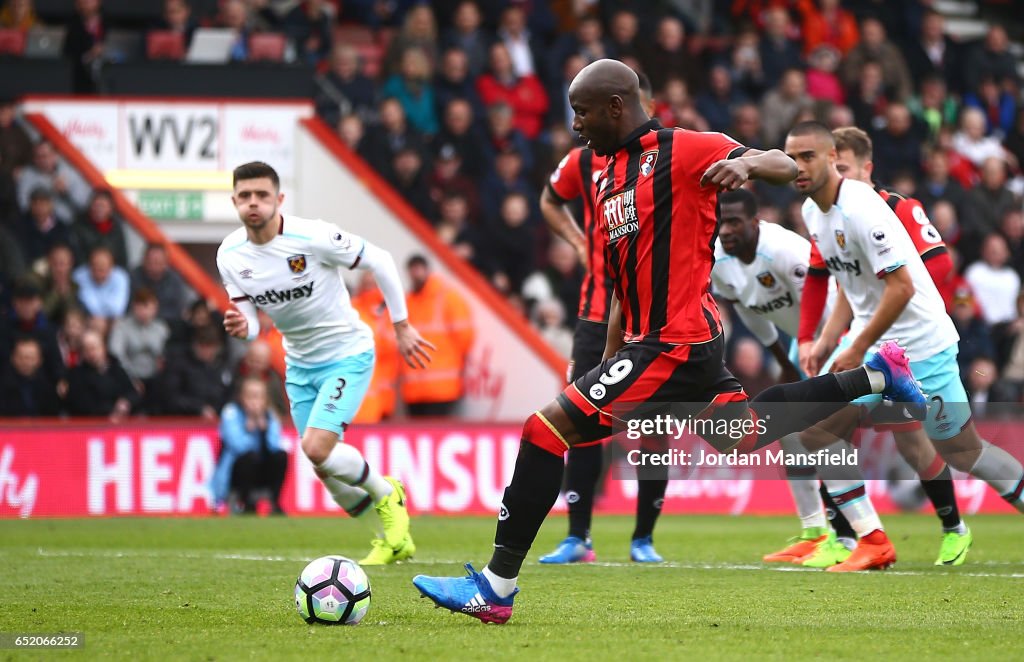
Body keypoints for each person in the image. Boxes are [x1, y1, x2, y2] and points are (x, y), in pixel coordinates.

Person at [412, 60, 926, 623]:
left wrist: (749, 162)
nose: (576, 125)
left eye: (582, 112)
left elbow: (779, 164)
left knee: (544, 430)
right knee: (744, 434)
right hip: (661, 340)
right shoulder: (605, 176)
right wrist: (608, 358)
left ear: (615, 105)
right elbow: (621, 284)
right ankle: (880, 376)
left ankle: (496, 588)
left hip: (672, 341)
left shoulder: (683, 148)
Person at [789, 122, 1024, 563]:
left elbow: (908, 284)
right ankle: (868, 541)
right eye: (794, 158)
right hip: (877, 350)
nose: (802, 167)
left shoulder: (876, 207)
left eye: (816, 159)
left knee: (963, 450)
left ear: (859, 167)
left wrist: (858, 345)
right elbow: (846, 284)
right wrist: (823, 340)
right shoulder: (814, 213)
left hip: (921, 348)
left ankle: (943, 527)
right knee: (816, 430)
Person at [715, 187, 970, 568]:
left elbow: (831, 299)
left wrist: (835, 346)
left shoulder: (786, 249)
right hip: (813, 349)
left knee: (922, 443)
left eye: (733, 221)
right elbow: (751, 311)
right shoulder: (721, 261)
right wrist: (785, 357)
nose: (725, 230)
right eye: (720, 222)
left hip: (848, 340)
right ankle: (829, 534)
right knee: (805, 433)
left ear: (756, 221)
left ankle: (949, 527)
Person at [218, 161, 434, 565]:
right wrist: (241, 327)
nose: (254, 203)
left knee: (317, 448)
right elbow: (249, 321)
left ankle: (389, 492)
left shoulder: (312, 236)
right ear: (234, 201)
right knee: (326, 470)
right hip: (299, 365)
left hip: (346, 353)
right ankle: (393, 540)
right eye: (245, 196)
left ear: (279, 200)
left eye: (262, 195)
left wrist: (402, 325)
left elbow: (381, 260)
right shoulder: (230, 255)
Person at [537, 72, 667, 564]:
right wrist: (575, 242)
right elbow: (550, 199)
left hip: (653, 317)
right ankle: (578, 536)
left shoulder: (663, 159)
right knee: (582, 418)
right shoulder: (584, 160)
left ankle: (644, 538)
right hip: (596, 315)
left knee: (654, 424)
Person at [401, 255, 473, 417]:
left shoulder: (448, 298)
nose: (416, 274)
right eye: (412, 270)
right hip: (414, 389)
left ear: (427, 270)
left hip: (443, 387)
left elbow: (465, 338)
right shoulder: (407, 301)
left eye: (419, 269)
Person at [212, 377, 288, 514]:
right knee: (249, 457)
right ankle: (246, 502)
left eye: (258, 397)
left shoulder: (270, 415)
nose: (254, 401)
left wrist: (264, 430)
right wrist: (249, 429)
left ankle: (275, 502)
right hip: (236, 472)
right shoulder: (231, 413)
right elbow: (238, 445)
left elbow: (275, 445)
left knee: (281, 456)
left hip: (262, 471)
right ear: (241, 397)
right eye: (250, 396)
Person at [64, 329, 140, 420]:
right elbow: (81, 405)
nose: (91, 353)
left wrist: (127, 401)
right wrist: (111, 412)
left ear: (103, 348)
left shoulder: (116, 369)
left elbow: (133, 393)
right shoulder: (76, 375)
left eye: (94, 348)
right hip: (92, 425)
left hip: (121, 423)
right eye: (86, 349)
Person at [0, 336, 61, 417]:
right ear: (13, 359)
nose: (26, 362)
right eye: (21, 357)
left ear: (40, 360)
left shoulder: (48, 387)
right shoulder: (3, 386)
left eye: (31, 358)